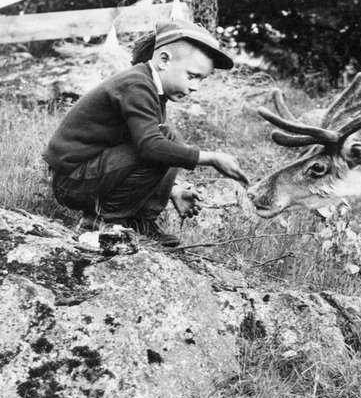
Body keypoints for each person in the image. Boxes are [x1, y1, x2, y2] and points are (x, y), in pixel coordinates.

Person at [43, 19, 249, 247]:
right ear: (164, 60)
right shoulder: (137, 85)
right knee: (162, 143)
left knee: (168, 139)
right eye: (192, 76)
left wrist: (174, 190)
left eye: (202, 80)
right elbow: (150, 147)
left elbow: (150, 145)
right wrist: (211, 158)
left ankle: (140, 222)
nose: (195, 87)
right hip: (71, 180)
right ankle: (101, 221)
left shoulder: (151, 87)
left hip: (88, 174)